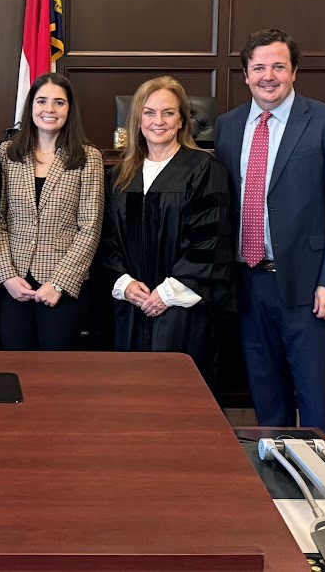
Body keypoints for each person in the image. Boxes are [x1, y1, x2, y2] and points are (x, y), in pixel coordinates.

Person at [215, 28, 325, 443]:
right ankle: (279, 485)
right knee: (267, 397)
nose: (268, 75)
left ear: (294, 72)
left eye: (278, 66)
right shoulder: (228, 126)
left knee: (316, 397)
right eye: (259, 67)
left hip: (309, 286)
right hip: (248, 282)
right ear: (245, 75)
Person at [98, 77, 233, 391]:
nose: (158, 121)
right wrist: (124, 283)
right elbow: (105, 238)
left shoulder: (204, 169)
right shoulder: (119, 174)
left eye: (168, 113)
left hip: (183, 310)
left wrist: (167, 294)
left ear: (183, 119)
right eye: (149, 113)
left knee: (180, 395)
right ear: (137, 120)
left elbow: (210, 243)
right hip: (130, 307)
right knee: (128, 394)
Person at [0, 73, 104, 350]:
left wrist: (59, 283)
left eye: (59, 103)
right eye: (42, 101)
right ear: (31, 107)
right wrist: (6, 275)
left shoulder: (89, 158)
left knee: (56, 375)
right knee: (15, 370)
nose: (49, 110)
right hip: (14, 284)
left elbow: (90, 227)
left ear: (70, 109)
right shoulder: (8, 153)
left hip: (62, 287)